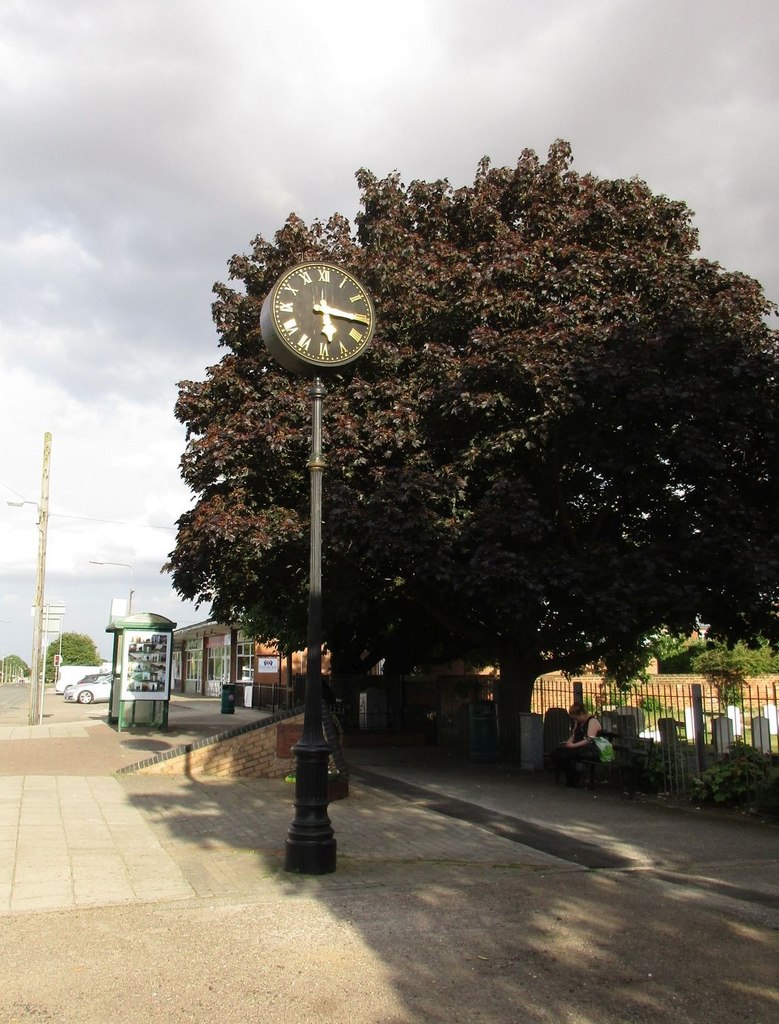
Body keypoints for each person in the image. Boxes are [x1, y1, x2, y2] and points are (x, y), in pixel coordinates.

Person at [555, 703, 602, 787]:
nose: (576, 720)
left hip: (590, 750)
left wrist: (573, 745)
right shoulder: (578, 723)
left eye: (576, 717)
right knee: (556, 753)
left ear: (581, 714)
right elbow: (574, 735)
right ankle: (572, 775)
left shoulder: (592, 721)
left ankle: (574, 777)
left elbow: (589, 740)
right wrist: (568, 743)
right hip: (578, 747)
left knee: (566, 756)